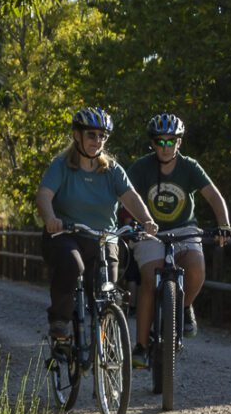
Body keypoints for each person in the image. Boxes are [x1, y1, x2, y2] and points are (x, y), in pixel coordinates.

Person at [37, 107, 157, 354]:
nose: (97, 141)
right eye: (92, 135)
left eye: (102, 136)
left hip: (103, 238)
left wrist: (147, 220)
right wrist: (50, 218)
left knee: (106, 289)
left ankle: (106, 338)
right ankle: (60, 321)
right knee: (73, 265)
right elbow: (44, 195)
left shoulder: (111, 170)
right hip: (66, 235)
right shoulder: (61, 165)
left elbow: (130, 197)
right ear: (77, 136)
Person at [126, 113, 231, 363]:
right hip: (150, 231)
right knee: (150, 279)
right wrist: (128, 223)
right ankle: (141, 346)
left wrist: (224, 224)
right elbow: (124, 196)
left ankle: (184, 307)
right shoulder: (141, 167)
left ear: (179, 143)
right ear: (153, 144)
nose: (166, 147)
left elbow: (214, 196)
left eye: (171, 141)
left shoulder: (189, 167)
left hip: (185, 229)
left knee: (195, 267)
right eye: (160, 142)